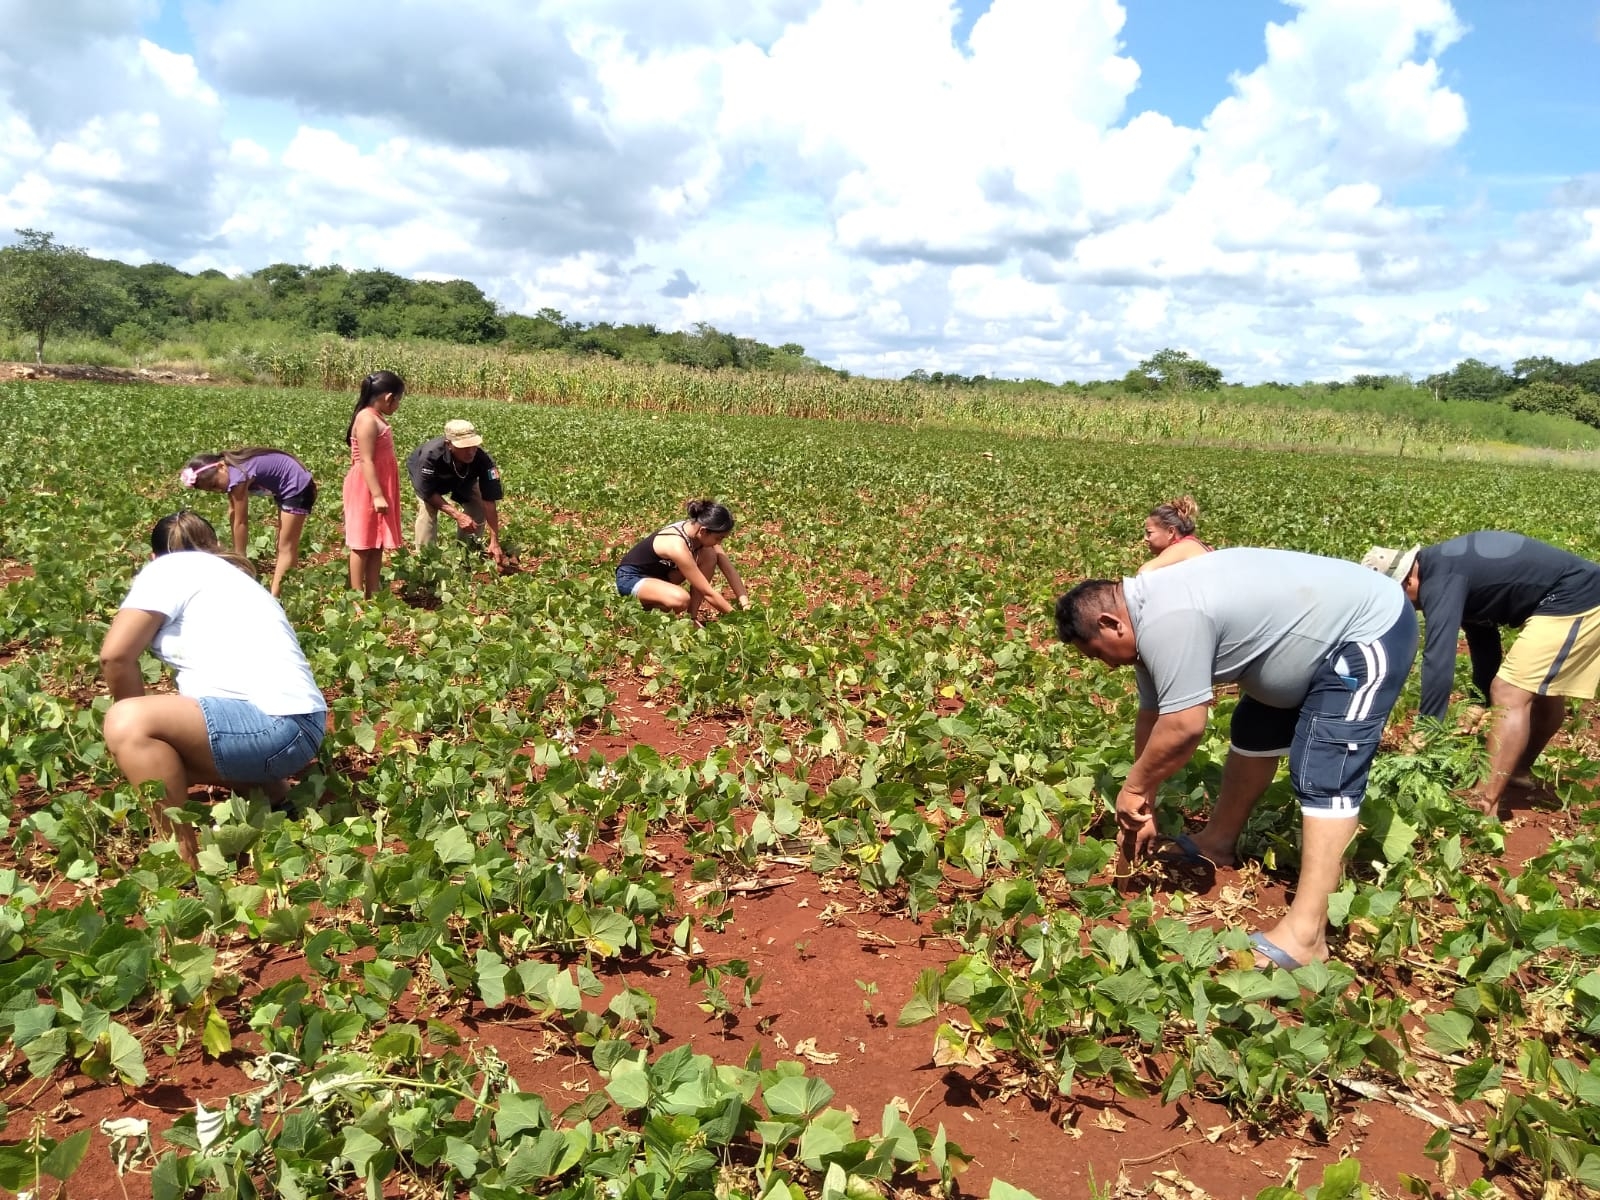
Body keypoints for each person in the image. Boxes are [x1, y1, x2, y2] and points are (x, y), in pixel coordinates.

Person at [1057, 548, 1417, 969]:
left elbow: (1185, 726)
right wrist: (1145, 801)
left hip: (1365, 631)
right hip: (1302, 640)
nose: (1106, 666)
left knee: (1326, 768)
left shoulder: (1168, 618)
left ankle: (1307, 935)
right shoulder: (1141, 617)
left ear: (1109, 623)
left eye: (1097, 653)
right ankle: (1217, 842)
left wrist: (1133, 788)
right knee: (1253, 729)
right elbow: (1153, 716)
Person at [99, 512, 327, 867]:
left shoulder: (167, 569)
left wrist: (130, 745)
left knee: (128, 723)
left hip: (272, 727)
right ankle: (280, 803)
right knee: (169, 741)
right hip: (301, 725)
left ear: (154, 557)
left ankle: (181, 860)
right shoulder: (230, 577)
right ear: (212, 546)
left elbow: (114, 657)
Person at [1362, 532, 1600, 816]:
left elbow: (1439, 657)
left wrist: (1426, 729)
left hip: (1577, 596)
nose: (1409, 608)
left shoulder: (1440, 578)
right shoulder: (1450, 571)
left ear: (1408, 580)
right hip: (1574, 593)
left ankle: (1483, 802)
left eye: (1402, 600)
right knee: (1539, 691)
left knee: (1510, 692)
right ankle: (1517, 770)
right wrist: (1479, 702)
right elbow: (1482, 637)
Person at [179, 448, 317, 597]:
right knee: (285, 546)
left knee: (285, 547)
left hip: (298, 488)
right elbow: (233, 512)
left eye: (215, 485)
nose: (218, 490)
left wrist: (240, 559)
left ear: (221, 467)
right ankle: (290, 587)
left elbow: (241, 522)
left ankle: (276, 599)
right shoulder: (231, 468)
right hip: (287, 487)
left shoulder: (238, 476)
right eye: (211, 490)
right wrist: (235, 555)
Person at [616, 500, 751, 620]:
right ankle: (639, 610)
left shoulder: (697, 531)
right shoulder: (677, 545)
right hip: (631, 578)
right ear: (703, 531)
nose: (719, 543)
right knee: (680, 599)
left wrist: (746, 604)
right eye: (719, 538)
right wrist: (737, 618)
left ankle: (692, 617)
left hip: (659, 575)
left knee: (709, 555)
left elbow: (728, 569)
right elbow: (707, 592)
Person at [406, 419, 507, 567]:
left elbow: (489, 500)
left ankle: (467, 552)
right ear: (449, 444)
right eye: (464, 447)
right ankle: (426, 560)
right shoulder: (430, 456)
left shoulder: (482, 459)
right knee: (428, 509)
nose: (471, 451)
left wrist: (495, 540)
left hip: (463, 477)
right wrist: (457, 515)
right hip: (431, 481)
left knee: (477, 505)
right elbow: (428, 491)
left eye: (473, 445)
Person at [341, 370, 404, 597]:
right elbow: (365, 459)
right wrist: (377, 494)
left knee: (376, 542)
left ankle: (373, 591)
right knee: (361, 544)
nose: (397, 405)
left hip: (376, 485)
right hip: (366, 487)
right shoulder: (367, 419)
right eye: (398, 400)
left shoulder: (374, 417)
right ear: (389, 398)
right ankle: (357, 596)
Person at [1139, 496, 1210, 574]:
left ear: (1171, 532)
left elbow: (1144, 573)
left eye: (1149, 533)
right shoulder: (1195, 544)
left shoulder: (1182, 547)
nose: (1145, 538)